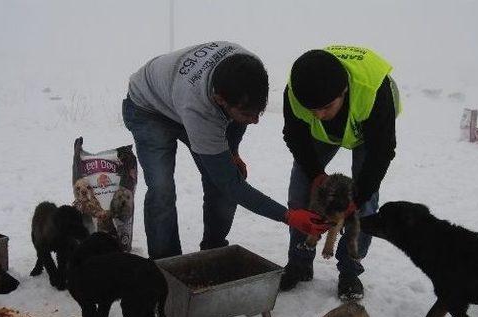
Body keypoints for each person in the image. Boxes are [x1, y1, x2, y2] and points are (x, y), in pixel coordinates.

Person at [122, 41, 329, 259]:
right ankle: (166, 264)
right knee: (162, 188)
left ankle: (214, 252)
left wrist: (232, 151)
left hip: (179, 94)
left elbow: (237, 121)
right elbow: (230, 184)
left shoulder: (250, 69)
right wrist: (288, 216)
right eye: (248, 114)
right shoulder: (199, 109)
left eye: (259, 112)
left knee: (224, 178)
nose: (255, 121)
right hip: (148, 108)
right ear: (220, 99)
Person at [280, 45, 401, 301]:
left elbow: (382, 152)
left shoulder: (373, 92)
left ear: (343, 90)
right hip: (322, 137)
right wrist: (316, 175)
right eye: (312, 109)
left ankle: (350, 272)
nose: (318, 115)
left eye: (325, 107)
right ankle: (299, 262)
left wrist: (355, 200)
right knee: (300, 195)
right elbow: (294, 136)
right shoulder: (296, 90)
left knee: (364, 208)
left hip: (368, 132)